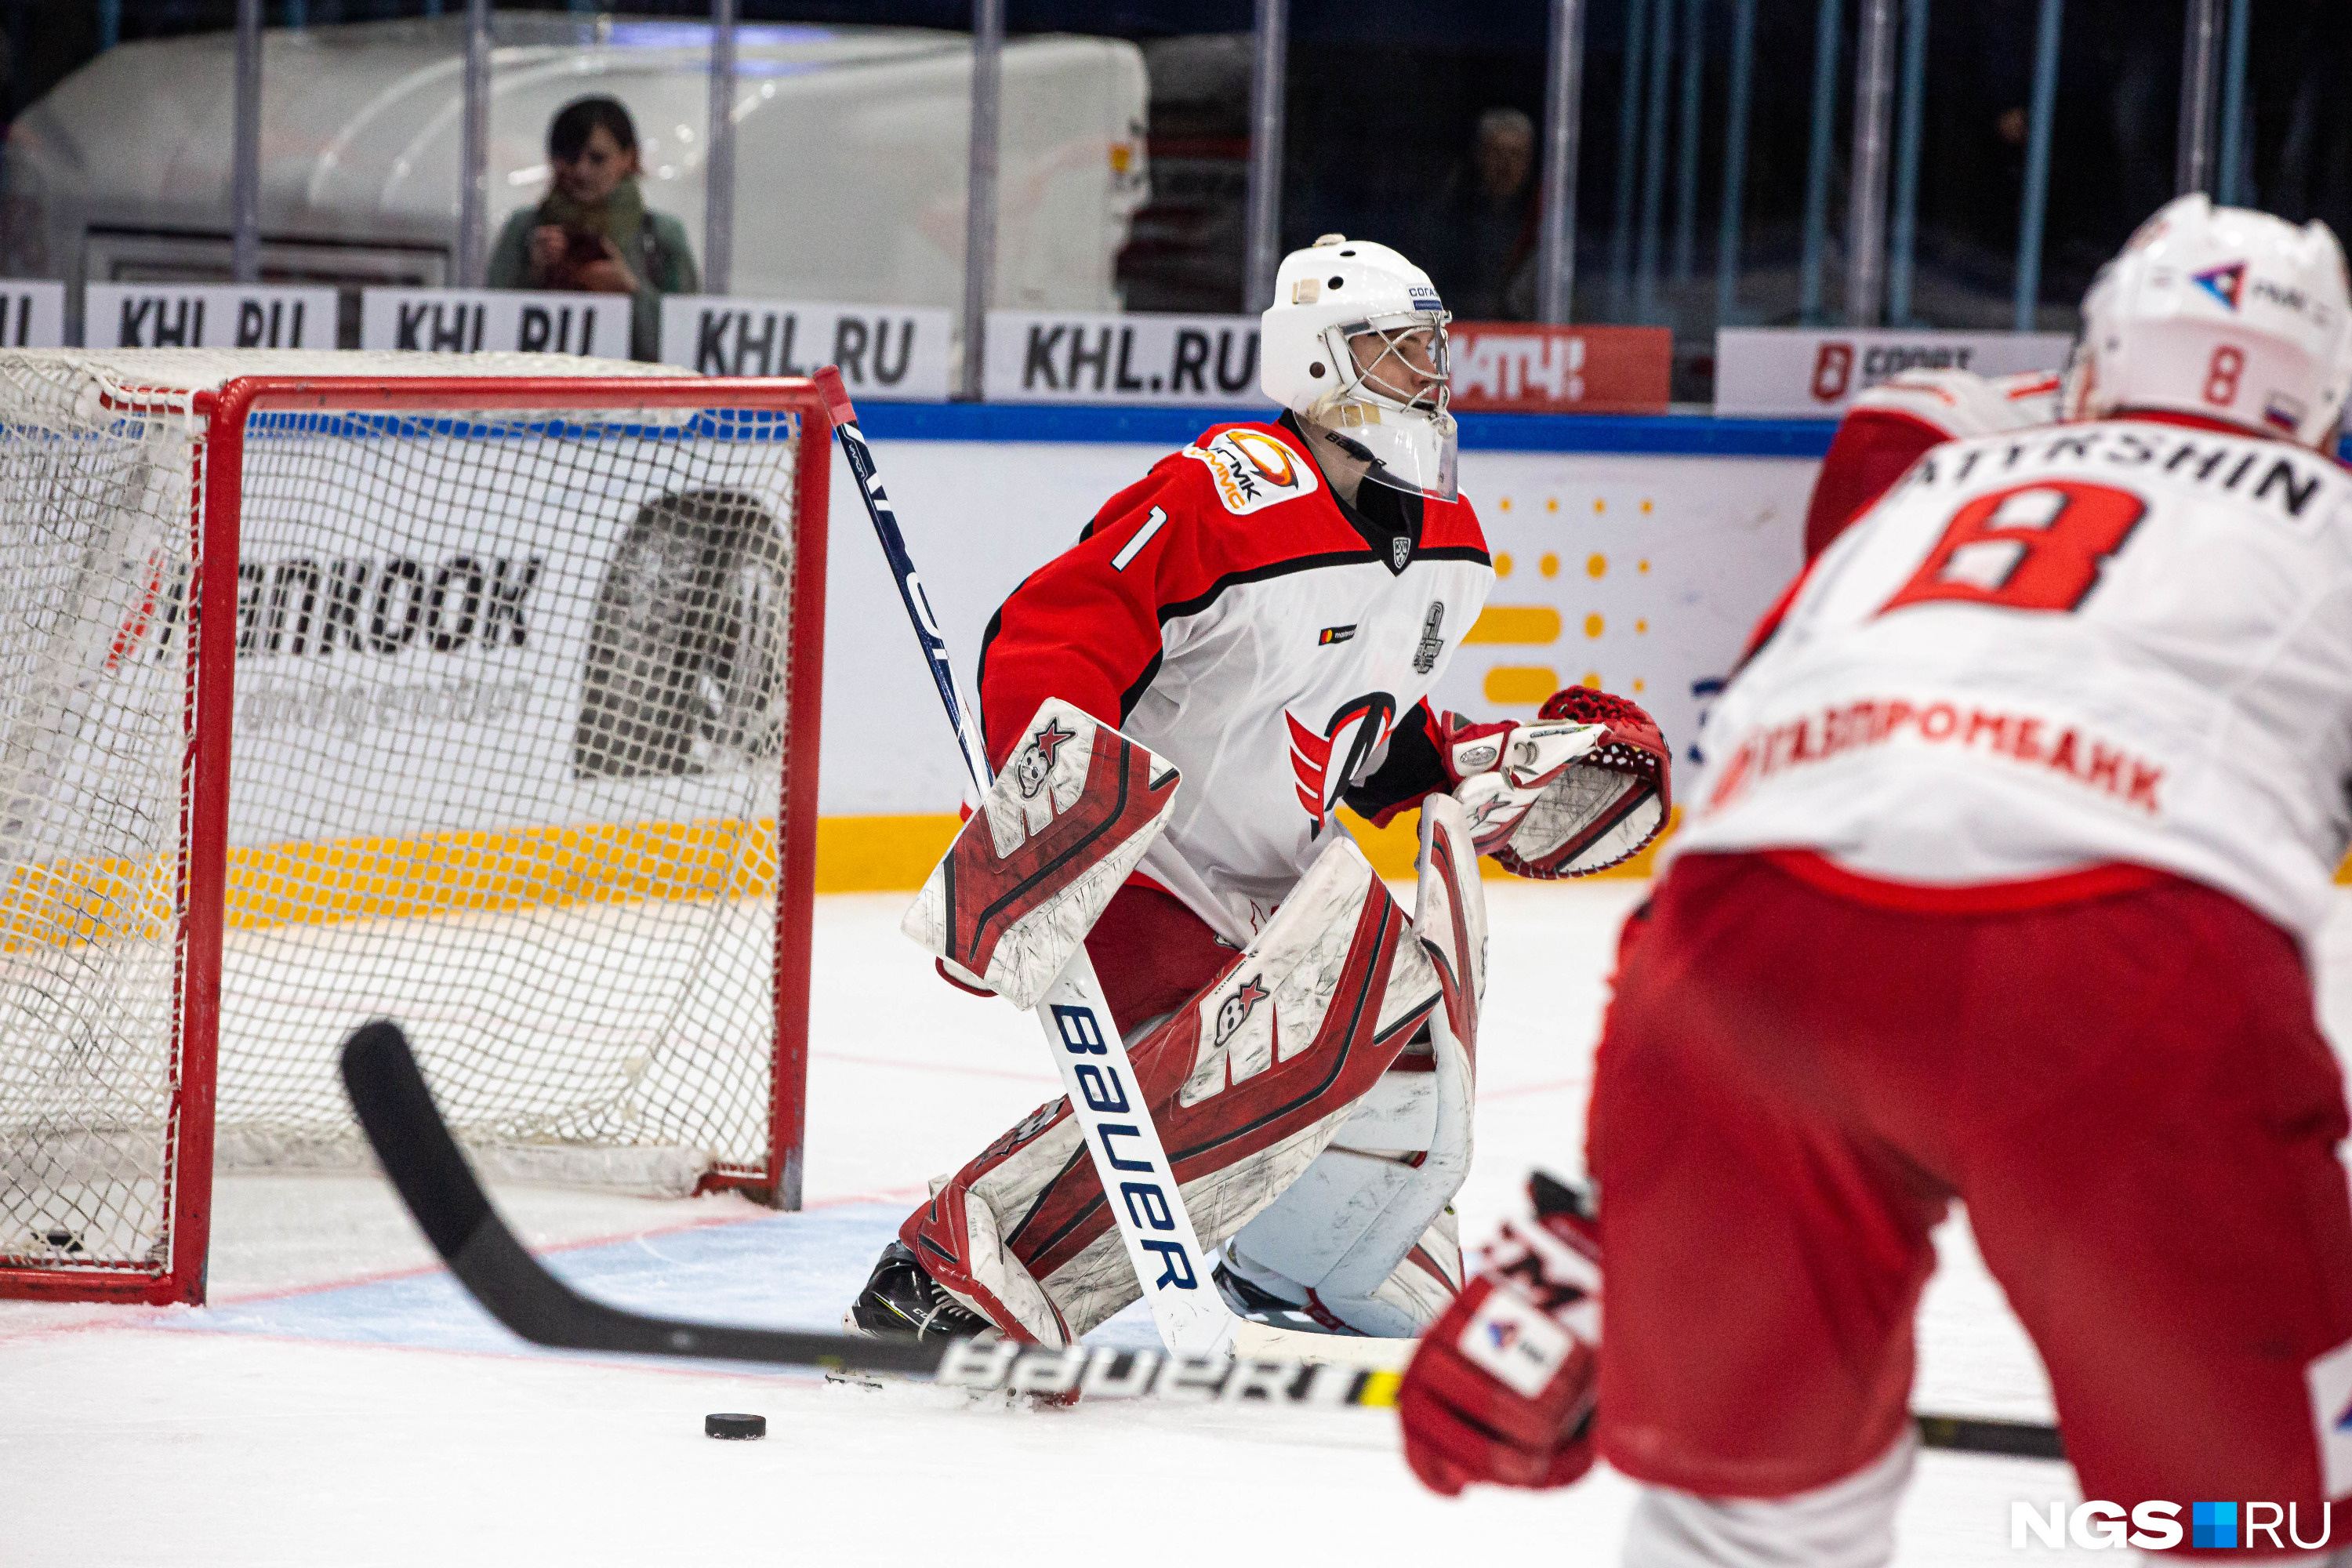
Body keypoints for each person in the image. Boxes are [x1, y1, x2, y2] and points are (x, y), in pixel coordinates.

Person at [1397, 192, 2352, 1563]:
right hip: (2134, 972)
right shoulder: (2327, 521)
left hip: (1759, 954)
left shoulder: (1925, 486)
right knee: (2266, 1529)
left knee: (1750, 1522)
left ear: (2094, 360)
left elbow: (1755, 802)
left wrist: (1619, 1219)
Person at [848, 235, 1670, 1347]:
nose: (1430, 379)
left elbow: (1362, 734)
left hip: (1268, 897)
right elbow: (1053, 633)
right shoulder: (1223, 492)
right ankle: (959, 1262)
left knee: (1415, 1023)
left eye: (1434, 350)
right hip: (1136, 875)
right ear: (1318, 364)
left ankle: (1309, 1264)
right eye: (1397, 352)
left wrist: (1480, 766)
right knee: (1334, 996)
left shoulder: (1446, 546)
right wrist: (1044, 820)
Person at [487, 96, 699, 361]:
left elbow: (690, 338)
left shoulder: (662, 235)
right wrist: (533, 274)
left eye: (597, 159)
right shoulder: (523, 230)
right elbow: (487, 332)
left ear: (629, 157)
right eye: (569, 157)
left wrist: (631, 291)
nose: (581, 171)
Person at [1421, 108, 1540, 321]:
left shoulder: (1544, 225)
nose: (1506, 165)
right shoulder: (1446, 218)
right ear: (1478, 155)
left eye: (1516, 155)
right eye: (1497, 153)